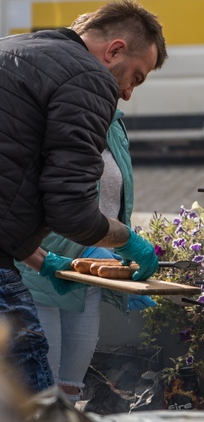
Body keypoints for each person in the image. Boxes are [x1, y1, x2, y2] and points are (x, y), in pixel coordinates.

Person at [0, 0, 167, 395]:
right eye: (136, 77)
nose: (126, 93)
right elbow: (70, 209)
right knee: (36, 402)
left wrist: (40, 259)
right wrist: (128, 240)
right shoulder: (87, 77)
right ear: (114, 50)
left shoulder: (11, 50)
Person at [17, 103, 155, 404]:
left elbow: (113, 201)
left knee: (69, 391)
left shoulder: (115, 124)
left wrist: (114, 250)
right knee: (40, 394)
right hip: (37, 271)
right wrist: (77, 250)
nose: (131, 92)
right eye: (133, 77)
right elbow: (46, 201)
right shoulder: (51, 116)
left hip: (86, 274)